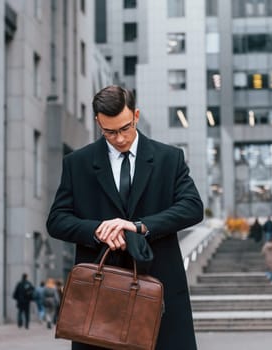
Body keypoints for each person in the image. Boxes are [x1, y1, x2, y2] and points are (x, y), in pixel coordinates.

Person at [46, 85, 203, 350]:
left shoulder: (169, 158)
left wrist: (139, 226)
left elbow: (192, 207)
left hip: (160, 290)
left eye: (125, 128)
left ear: (136, 116)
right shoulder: (77, 163)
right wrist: (98, 230)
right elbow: (57, 220)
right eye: (110, 131)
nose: (119, 138)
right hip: (100, 297)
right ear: (98, 123)